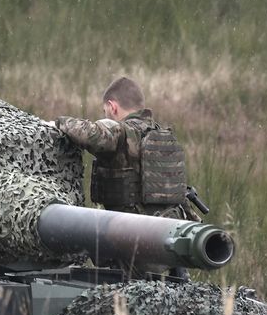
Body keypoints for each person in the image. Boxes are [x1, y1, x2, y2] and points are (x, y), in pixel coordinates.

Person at [55, 76, 196, 221]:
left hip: (132, 230)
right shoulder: (164, 135)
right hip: (170, 226)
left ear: (112, 107)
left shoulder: (121, 132)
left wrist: (57, 123)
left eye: (105, 111)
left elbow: (88, 133)